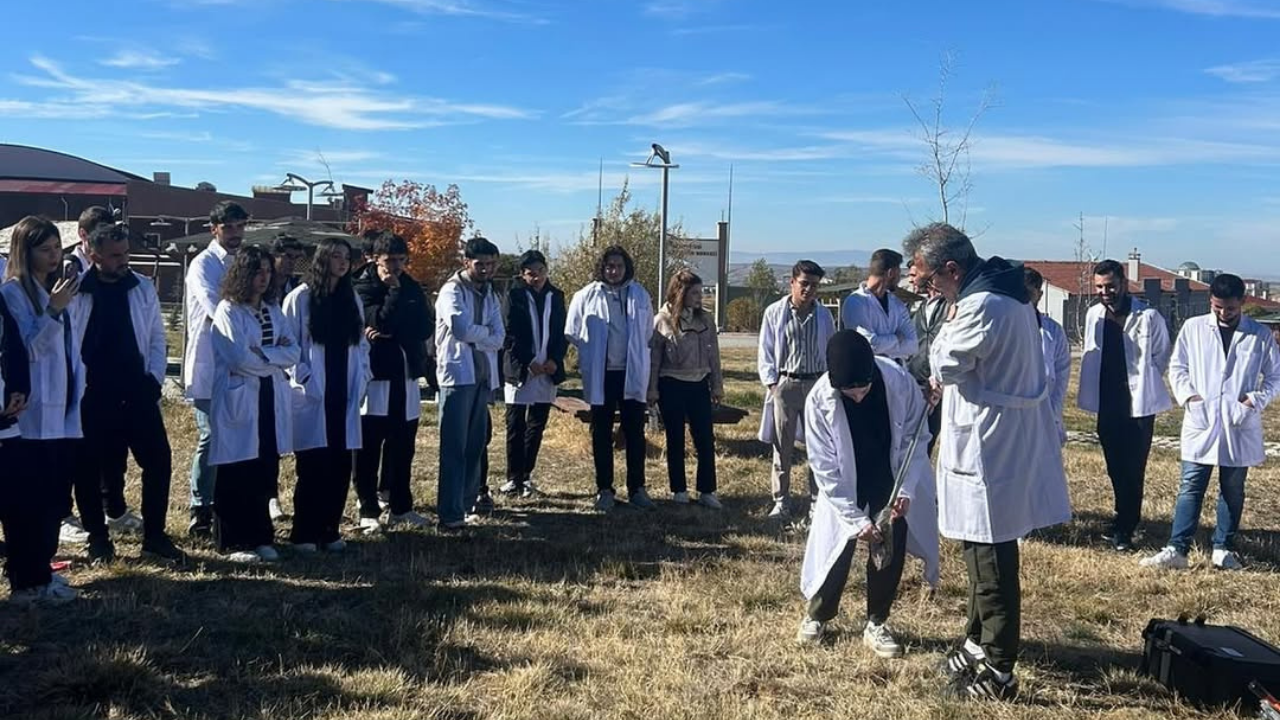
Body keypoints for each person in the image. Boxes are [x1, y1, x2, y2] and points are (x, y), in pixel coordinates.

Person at [907, 223, 1070, 700]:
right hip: (986, 434)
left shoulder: (983, 305)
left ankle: (1000, 668)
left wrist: (942, 330)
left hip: (990, 445)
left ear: (952, 269)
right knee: (976, 549)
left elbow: (944, 362)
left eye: (929, 278)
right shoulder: (1001, 292)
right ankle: (977, 641)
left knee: (992, 556)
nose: (927, 289)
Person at [795, 330, 938, 655]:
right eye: (849, 391)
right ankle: (819, 613)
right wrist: (855, 519)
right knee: (837, 548)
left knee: (890, 544)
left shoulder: (897, 381)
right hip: (846, 483)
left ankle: (877, 621)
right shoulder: (819, 400)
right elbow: (825, 469)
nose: (858, 396)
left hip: (888, 474)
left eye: (864, 388)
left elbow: (916, 440)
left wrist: (905, 488)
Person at [1141, 274, 1280, 571]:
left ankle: (1223, 547)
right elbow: (1178, 368)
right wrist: (1190, 398)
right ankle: (1177, 548)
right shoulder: (1194, 329)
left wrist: (1254, 400)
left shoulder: (1259, 334)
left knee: (1232, 487)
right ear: (1211, 302)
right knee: (1191, 484)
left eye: (1229, 308)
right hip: (1201, 419)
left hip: (1238, 421)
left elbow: (1274, 377)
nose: (1223, 313)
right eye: (1217, 307)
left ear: (1242, 302)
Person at [67, 223, 185, 563]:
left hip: (137, 389)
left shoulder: (141, 286)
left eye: (126, 254)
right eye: (115, 256)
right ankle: (98, 539)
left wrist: (154, 379)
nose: (123, 261)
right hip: (93, 394)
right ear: (94, 255)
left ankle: (155, 537)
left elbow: (156, 338)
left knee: (159, 462)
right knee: (89, 469)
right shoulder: (77, 290)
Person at [0, 216, 83, 603]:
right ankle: (28, 578)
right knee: (29, 503)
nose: (53, 257)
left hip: (60, 410)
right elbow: (27, 349)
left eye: (57, 249)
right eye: (45, 249)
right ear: (25, 251)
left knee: (53, 499)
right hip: (30, 416)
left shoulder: (54, 289)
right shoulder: (15, 293)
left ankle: (41, 571)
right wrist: (51, 312)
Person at [209, 246, 297, 563]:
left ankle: (260, 536)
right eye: (257, 271)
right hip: (239, 395)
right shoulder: (228, 311)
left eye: (267, 272)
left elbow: (294, 352)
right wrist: (273, 357)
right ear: (243, 275)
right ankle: (232, 541)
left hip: (269, 394)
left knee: (264, 467)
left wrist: (266, 355)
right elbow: (238, 358)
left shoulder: (273, 309)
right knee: (236, 470)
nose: (263, 278)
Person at [1077, 260, 1173, 551]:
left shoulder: (1148, 316)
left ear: (1124, 283)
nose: (1105, 292)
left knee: (1134, 467)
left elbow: (1161, 355)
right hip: (1108, 402)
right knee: (1114, 465)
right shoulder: (1094, 314)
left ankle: (1126, 527)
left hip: (1138, 405)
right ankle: (1122, 516)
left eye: (1110, 286)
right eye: (1099, 287)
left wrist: (1144, 378)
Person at [283, 238, 370, 553]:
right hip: (313, 394)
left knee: (340, 465)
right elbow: (288, 344)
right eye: (336, 256)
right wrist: (303, 376)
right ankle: (304, 533)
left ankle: (330, 530)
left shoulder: (351, 298)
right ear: (322, 260)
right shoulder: (300, 298)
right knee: (312, 467)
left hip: (344, 391)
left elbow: (361, 344)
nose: (343, 262)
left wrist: (364, 377)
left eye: (346, 257)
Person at [353, 231, 433, 532]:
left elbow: (424, 326)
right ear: (376, 259)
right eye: (390, 261)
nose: (396, 267)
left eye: (401, 260)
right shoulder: (363, 285)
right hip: (376, 379)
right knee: (369, 448)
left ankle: (400, 506)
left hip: (406, 375)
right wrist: (394, 295)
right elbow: (379, 321)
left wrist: (394, 327)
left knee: (403, 446)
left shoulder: (411, 284)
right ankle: (367, 507)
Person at [566, 246, 655, 512]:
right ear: (602, 268)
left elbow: (647, 329)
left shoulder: (639, 294)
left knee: (634, 432)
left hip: (631, 372)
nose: (614, 271)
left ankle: (637, 488)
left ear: (626, 267)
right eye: (609, 266)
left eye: (619, 266)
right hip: (602, 373)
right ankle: (604, 488)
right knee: (601, 432)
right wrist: (590, 352)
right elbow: (572, 330)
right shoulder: (586, 295)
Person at [184, 201, 248, 538]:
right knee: (211, 436)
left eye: (240, 227)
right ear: (215, 229)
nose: (236, 234)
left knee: (237, 436)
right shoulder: (203, 264)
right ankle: (200, 506)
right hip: (210, 361)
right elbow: (218, 308)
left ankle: (231, 503)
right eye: (229, 227)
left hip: (241, 362)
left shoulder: (245, 262)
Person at [1, 250, 58, 605]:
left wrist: (19, 388)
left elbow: (12, 349)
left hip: (6, 422)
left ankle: (29, 583)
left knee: (20, 506)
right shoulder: (11, 292)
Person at [434, 237, 504, 528]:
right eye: (480, 264)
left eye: (490, 264)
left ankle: (466, 504)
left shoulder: (490, 294)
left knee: (476, 445)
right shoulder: (452, 291)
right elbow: (461, 330)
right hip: (457, 377)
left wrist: (485, 334)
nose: (486, 269)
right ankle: (449, 512)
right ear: (466, 262)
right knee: (454, 447)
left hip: (482, 377)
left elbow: (500, 336)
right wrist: (484, 333)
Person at [757, 260, 835, 520]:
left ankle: (816, 500)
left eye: (814, 285)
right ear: (792, 282)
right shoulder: (775, 312)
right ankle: (781, 500)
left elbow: (830, 350)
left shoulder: (824, 315)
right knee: (783, 446)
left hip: (816, 385)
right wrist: (772, 384)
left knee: (817, 446)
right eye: (804, 284)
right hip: (786, 384)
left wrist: (828, 384)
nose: (809, 290)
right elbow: (766, 350)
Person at [648, 269, 724, 508]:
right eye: (695, 293)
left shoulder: (706, 319)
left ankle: (707, 490)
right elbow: (654, 359)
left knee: (704, 438)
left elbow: (714, 355)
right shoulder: (661, 320)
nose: (699, 297)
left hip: (699, 383)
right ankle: (678, 489)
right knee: (675, 438)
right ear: (680, 293)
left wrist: (717, 385)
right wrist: (651, 389)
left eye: (701, 292)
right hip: (671, 384)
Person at [500, 250, 566, 499]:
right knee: (515, 424)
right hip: (521, 369)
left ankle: (526, 475)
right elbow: (510, 332)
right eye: (530, 273)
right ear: (522, 274)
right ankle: (512, 477)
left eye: (540, 271)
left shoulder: (556, 295)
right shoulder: (514, 295)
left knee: (536, 424)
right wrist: (528, 361)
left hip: (547, 369)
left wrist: (554, 360)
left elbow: (561, 332)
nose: (536, 277)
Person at [839, 249, 918, 363]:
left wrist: (883, 346)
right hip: (870, 375)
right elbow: (869, 344)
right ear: (890, 273)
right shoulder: (856, 302)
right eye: (899, 273)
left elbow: (913, 345)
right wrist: (897, 338)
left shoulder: (897, 304)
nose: (900, 278)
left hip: (896, 374)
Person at [1024, 267, 1071, 446]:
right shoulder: (1005, 326)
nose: (1024, 298)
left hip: (1045, 408)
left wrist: (1054, 411)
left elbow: (1061, 374)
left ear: (1039, 294)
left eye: (1029, 292)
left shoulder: (1053, 330)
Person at [906, 262, 949, 457]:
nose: (910, 279)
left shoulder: (949, 306)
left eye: (915, 274)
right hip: (915, 381)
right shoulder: (920, 308)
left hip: (938, 387)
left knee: (929, 437)